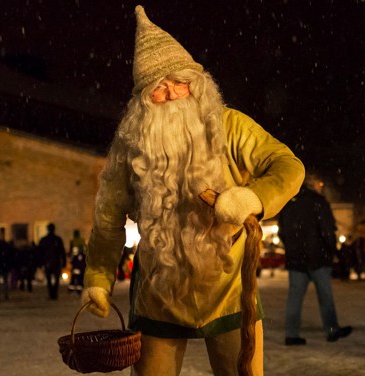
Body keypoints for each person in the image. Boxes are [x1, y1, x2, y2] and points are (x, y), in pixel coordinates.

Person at [81, 6, 304, 375]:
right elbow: (107, 219)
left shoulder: (230, 126)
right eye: (158, 88)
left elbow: (288, 165)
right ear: (141, 99)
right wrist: (98, 278)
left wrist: (253, 197)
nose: (171, 94)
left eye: (179, 82)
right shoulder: (130, 145)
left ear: (197, 85)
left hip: (230, 291)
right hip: (158, 294)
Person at [278, 173, 352, 346]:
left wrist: (292, 248)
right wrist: (332, 250)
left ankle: (291, 333)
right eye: (320, 183)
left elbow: (282, 231)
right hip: (318, 257)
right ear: (313, 185)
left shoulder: (289, 203)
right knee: (325, 296)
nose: (321, 187)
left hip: (296, 259)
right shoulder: (319, 202)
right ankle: (331, 329)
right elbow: (327, 230)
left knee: (294, 298)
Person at [39, 223, 66, 300]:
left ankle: (52, 293)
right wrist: (63, 261)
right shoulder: (57, 239)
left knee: (49, 279)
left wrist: (41, 262)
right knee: (55, 279)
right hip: (55, 261)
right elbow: (62, 251)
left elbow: (40, 252)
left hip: (49, 262)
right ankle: (53, 293)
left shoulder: (45, 240)